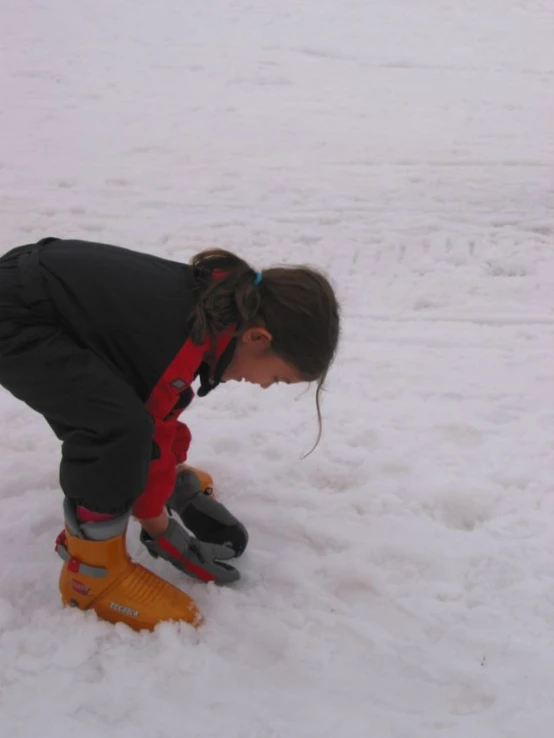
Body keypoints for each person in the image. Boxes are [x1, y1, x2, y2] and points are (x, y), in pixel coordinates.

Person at [0, 237, 340, 630]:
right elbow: (142, 429)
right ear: (257, 338)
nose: (264, 386)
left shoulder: (213, 305)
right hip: (15, 315)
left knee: (127, 414)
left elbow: (160, 406)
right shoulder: (175, 338)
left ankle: (137, 487)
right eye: (278, 378)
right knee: (113, 427)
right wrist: (161, 529)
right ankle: (92, 573)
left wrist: (167, 475)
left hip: (34, 285)